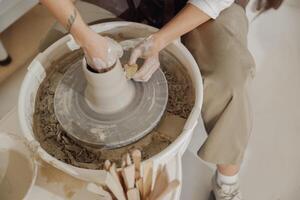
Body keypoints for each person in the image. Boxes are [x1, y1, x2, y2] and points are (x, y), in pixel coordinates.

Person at [40, 0, 283, 199]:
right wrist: (85, 37)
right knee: (54, 51)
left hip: (196, 6)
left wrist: (160, 39)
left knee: (230, 78)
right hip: (118, 4)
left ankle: (227, 182)